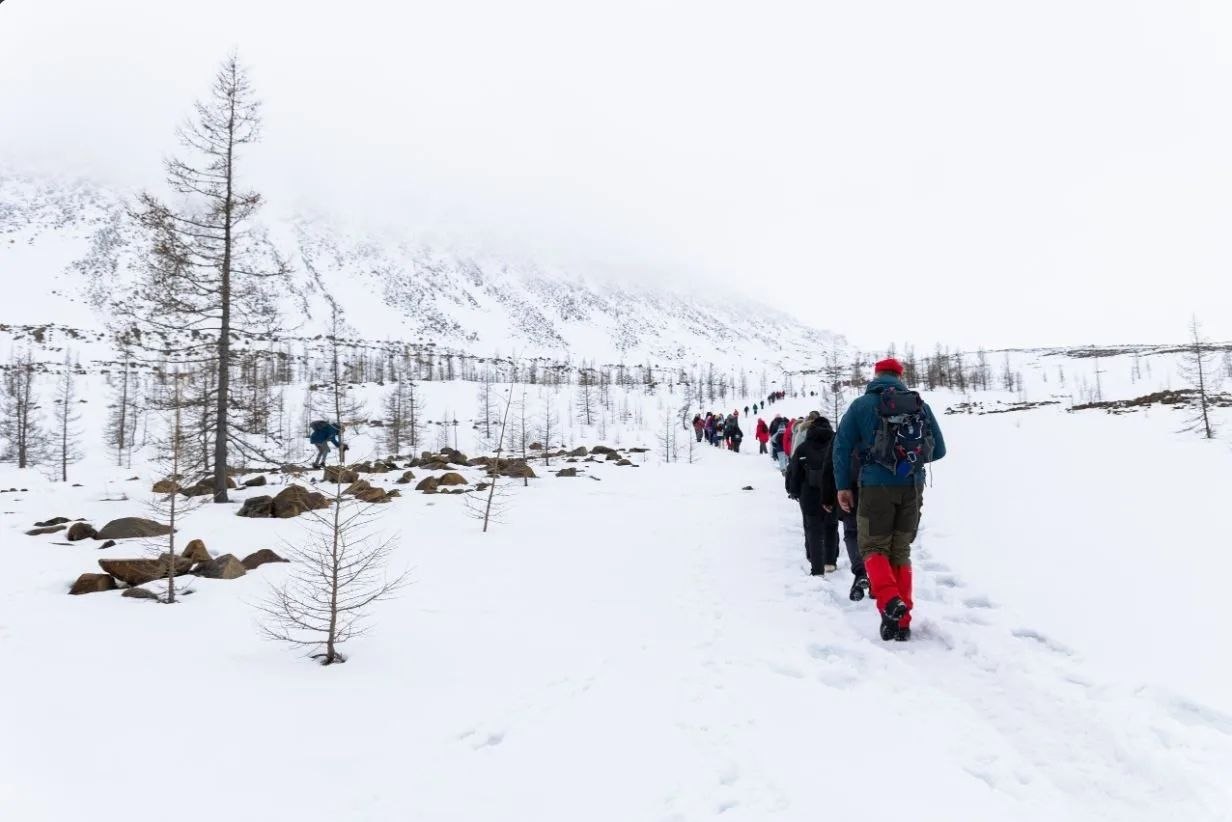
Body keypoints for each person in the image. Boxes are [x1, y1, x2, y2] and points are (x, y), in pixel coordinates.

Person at [833, 358, 947, 642]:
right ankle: (901, 621)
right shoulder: (919, 406)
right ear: (900, 376)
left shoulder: (860, 406)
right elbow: (939, 450)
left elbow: (841, 448)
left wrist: (843, 486)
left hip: (874, 487)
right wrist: (909, 461)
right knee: (900, 551)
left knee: (873, 546)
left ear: (876, 375)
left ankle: (889, 600)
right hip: (912, 487)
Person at [785, 417, 839, 575]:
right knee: (831, 527)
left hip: (809, 495)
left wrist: (794, 491)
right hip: (833, 492)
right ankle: (830, 562)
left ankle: (817, 568)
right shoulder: (836, 445)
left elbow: (795, 473)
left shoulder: (803, 448)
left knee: (813, 531)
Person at [821, 439, 869, 601]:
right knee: (877, 535)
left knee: (852, 533)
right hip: (876, 488)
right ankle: (878, 580)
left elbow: (829, 467)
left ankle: (860, 571)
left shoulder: (841, 436)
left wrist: (827, 498)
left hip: (847, 489)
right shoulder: (878, 427)